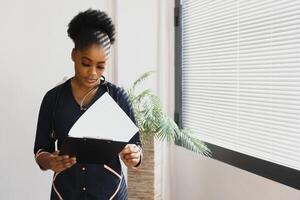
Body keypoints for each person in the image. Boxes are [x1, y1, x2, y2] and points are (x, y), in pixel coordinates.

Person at [33, 9, 142, 200]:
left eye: (100, 66)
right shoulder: (53, 99)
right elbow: (41, 150)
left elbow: (136, 146)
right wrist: (51, 161)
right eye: (86, 63)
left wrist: (134, 156)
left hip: (112, 194)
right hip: (64, 193)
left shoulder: (117, 97)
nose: (93, 72)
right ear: (74, 55)